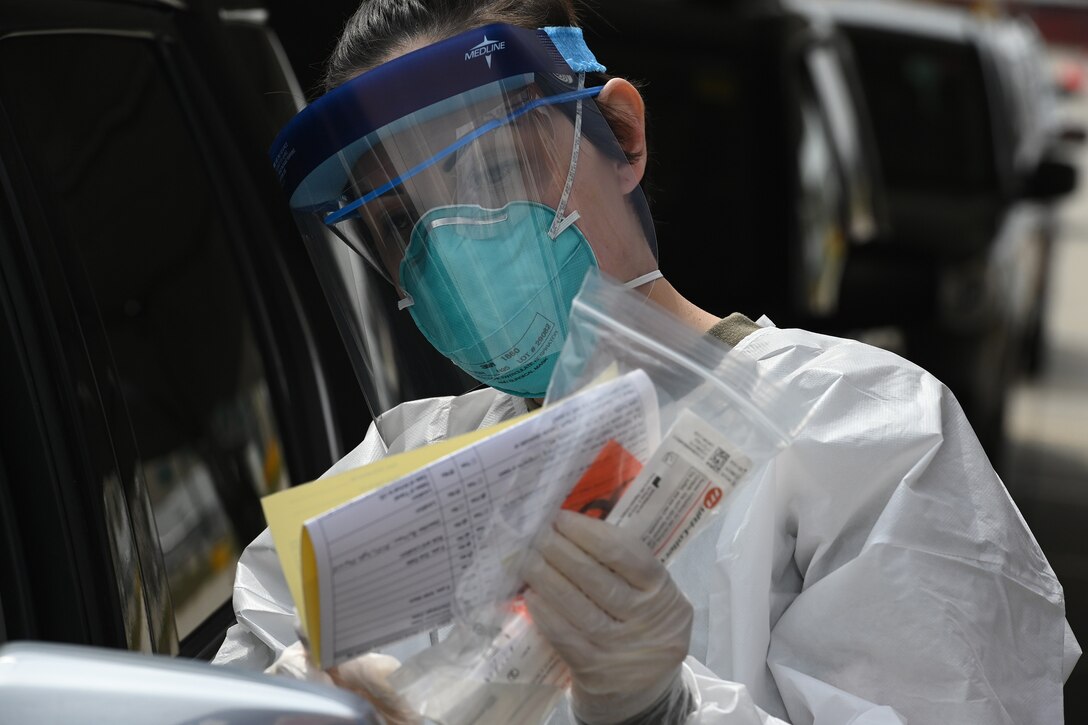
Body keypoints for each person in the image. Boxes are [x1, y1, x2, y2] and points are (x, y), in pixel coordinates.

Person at [214, 1, 1081, 723]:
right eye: (402, 222)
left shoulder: (864, 430)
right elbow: (221, 690)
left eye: (491, 167)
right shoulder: (395, 472)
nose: (451, 241)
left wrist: (662, 709)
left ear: (622, 135)